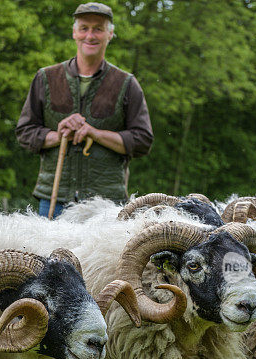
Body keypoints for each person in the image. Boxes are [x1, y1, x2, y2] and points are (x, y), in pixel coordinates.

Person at [16, 2, 154, 218]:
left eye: (98, 28)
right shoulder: (46, 78)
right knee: (48, 252)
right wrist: (59, 135)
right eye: (84, 28)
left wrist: (94, 133)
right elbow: (25, 132)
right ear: (74, 33)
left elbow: (143, 140)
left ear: (110, 34)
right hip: (54, 198)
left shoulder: (126, 83)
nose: (90, 35)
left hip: (106, 204)